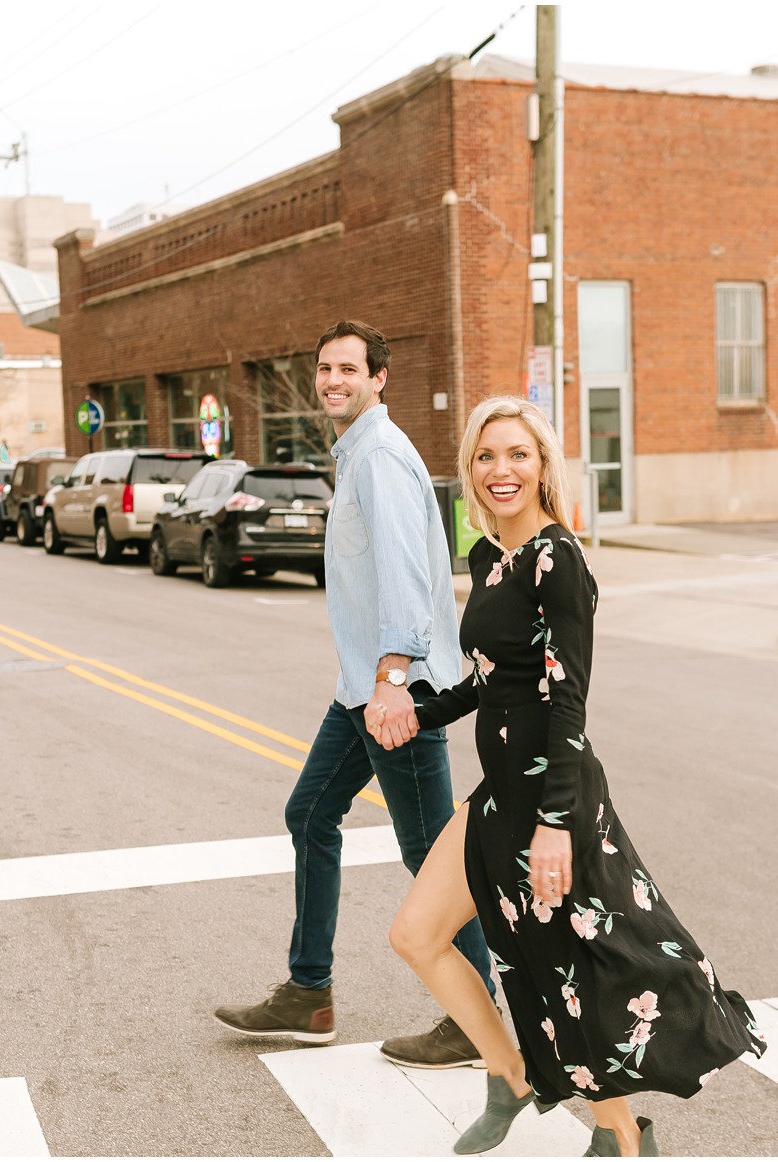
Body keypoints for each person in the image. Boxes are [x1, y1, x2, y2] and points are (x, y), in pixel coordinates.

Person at [378, 397, 766, 1157]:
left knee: (573, 978)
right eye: (487, 457)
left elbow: (567, 702)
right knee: (417, 935)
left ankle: (623, 1140)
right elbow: (491, 680)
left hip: (550, 798)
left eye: (518, 455)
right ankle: (513, 1077)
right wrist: (417, 713)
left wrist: (555, 825)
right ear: (470, 470)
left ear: (544, 466)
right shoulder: (492, 559)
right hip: (499, 797)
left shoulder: (560, 560)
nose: (501, 470)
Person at [214, 320, 498, 1068]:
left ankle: (479, 1016)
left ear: (379, 379)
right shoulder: (360, 454)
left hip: (394, 690)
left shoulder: (380, 458)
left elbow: (406, 575)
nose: (332, 379)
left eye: (348, 368)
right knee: (310, 813)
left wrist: (395, 679)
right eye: (324, 368)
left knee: (431, 855)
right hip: (363, 690)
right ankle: (309, 992)